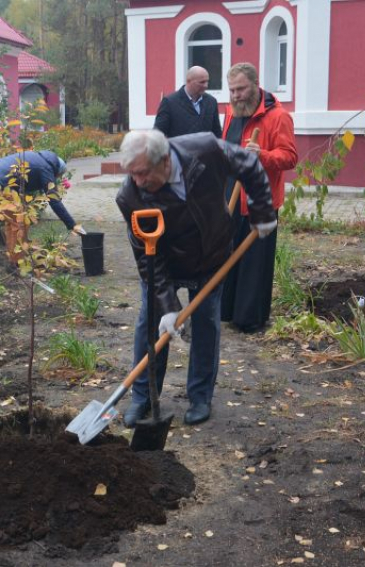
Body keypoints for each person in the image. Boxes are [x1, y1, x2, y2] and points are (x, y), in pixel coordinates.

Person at [116, 129, 275, 427]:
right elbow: (146, 259)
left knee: (206, 320)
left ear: (164, 161)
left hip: (211, 253)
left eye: (141, 173)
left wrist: (262, 211)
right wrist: (168, 307)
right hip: (162, 261)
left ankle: (200, 397)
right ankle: (142, 397)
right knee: (149, 321)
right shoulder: (130, 196)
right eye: (131, 174)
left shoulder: (205, 149)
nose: (136, 181)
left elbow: (249, 165)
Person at [220, 62, 298, 333]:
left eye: (240, 89)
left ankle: (250, 319)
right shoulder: (232, 112)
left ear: (254, 85)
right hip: (231, 198)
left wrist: (262, 154)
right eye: (231, 90)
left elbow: (290, 157)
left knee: (255, 263)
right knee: (229, 258)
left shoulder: (278, 117)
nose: (235, 95)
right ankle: (227, 311)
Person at [0, 150, 84, 265]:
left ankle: (15, 256)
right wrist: (72, 225)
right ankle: (17, 263)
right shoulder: (46, 168)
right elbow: (54, 200)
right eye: (57, 176)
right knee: (20, 222)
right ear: (56, 171)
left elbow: (23, 184)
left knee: (13, 221)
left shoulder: (39, 159)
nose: (55, 179)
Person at [153, 66, 222, 139]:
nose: (206, 86)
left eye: (207, 81)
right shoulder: (169, 102)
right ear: (188, 81)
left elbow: (217, 133)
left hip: (207, 150)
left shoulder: (211, 102)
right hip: (179, 150)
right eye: (202, 82)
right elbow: (158, 135)